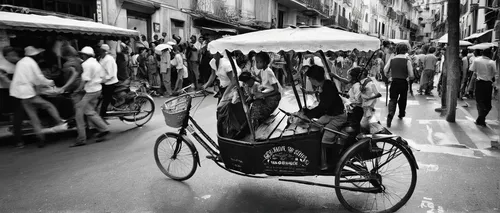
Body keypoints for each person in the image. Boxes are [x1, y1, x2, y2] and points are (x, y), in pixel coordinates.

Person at [10, 46, 67, 148]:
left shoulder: (20, 63)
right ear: (35, 55)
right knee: (48, 105)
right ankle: (59, 121)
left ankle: (41, 138)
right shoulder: (32, 63)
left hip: (20, 94)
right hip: (28, 92)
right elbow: (38, 79)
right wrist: (51, 83)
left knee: (33, 117)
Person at [293, 65, 346, 170]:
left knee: (326, 138)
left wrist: (308, 114)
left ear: (314, 79)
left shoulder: (328, 87)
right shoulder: (324, 85)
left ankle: (328, 163)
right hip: (330, 114)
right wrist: (307, 112)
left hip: (337, 117)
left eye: (310, 79)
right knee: (314, 126)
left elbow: (323, 107)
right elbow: (322, 106)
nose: (309, 81)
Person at [72, 46, 110, 147]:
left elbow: (85, 79)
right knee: (89, 111)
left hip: (90, 91)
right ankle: (102, 128)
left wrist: (77, 90)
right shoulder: (96, 63)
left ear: (84, 55)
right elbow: (104, 78)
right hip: (97, 89)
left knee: (79, 112)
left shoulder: (86, 64)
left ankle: (81, 138)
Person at [239, 52, 282, 129]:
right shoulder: (262, 71)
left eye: (259, 62)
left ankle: (257, 128)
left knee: (256, 109)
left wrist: (263, 95)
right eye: (256, 62)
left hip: (274, 98)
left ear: (265, 62)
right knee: (252, 104)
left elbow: (276, 90)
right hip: (267, 94)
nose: (257, 64)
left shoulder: (269, 72)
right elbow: (264, 84)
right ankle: (255, 125)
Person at [384, 43, 414, 128]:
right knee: (403, 99)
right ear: (406, 50)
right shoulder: (407, 60)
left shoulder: (392, 59)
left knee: (393, 99)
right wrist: (409, 77)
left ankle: (391, 113)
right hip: (403, 82)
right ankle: (401, 113)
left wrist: (389, 77)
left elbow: (385, 70)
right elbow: (411, 74)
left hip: (394, 81)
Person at [0, 47, 25, 148]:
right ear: (6, 56)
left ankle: (18, 139)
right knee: (17, 113)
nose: (14, 57)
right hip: (4, 93)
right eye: (12, 55)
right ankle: (18, 139)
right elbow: (6, 81)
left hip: (13, 92)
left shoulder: (16, 64)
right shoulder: (3, 67)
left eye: (15, 54)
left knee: (18, 114)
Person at [470, 48, 497, 126]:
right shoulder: (492, 62)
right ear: (490, 54)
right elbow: (496, 73)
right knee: (487, 103)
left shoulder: (477, 60)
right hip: (488, 84)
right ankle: (481, 119)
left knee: (479, 101)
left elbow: (472, 70)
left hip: (479, 82)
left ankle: (480, 119)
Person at [99, 44, 119, 117]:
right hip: (104, 82)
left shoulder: (109, 59)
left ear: (104, 51)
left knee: (105, 100)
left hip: (109, 83)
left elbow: (110, 74)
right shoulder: (102, 58)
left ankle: (102, 115)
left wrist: (102, 81)